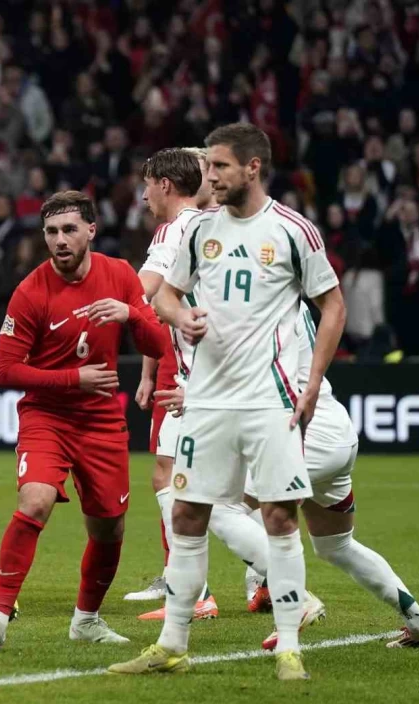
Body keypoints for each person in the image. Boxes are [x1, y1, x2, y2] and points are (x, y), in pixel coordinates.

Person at [109, 123, 346, 681]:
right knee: (187, 512)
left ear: (252, 168)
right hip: (207, 401)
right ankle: (172, 645)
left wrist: (312, 383)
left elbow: (333, 305)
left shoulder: (293, 230)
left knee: (279, 516)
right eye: (208, 166)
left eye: (218, 167)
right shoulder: (198, 230)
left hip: (269, 401)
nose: (208, 176)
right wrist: (179, 314)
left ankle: (289, 647)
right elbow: (166, 294)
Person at [0, 190, 169, 651]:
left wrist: (131, 314)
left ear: (91, 230)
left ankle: (86, 620)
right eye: (51, 231)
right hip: (47, 416)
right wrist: (74, 378)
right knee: (35, 501)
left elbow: (158, 344)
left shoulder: (120, 275)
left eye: (69, 229)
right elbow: (3, 370)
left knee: (109, 528)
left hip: (101, 422)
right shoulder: (31, 291)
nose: (59, 240)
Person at [125, 147, 288, 623]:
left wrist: (92, 296)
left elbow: (143, 291)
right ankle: (253, 584)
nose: (143, 196)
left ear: (165, 185)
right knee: (222, 490)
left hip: (205, 378)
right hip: (232, 372)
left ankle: (226, 588)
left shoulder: (177, 229)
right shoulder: (222, 226)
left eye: (147, 185)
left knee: (188, 489)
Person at [247, 303, 419, 651]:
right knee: (335, 545)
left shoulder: (259, 303)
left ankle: (297, 599)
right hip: (335, 431)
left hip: (303, 433)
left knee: (222, 503)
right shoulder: (292, 300)